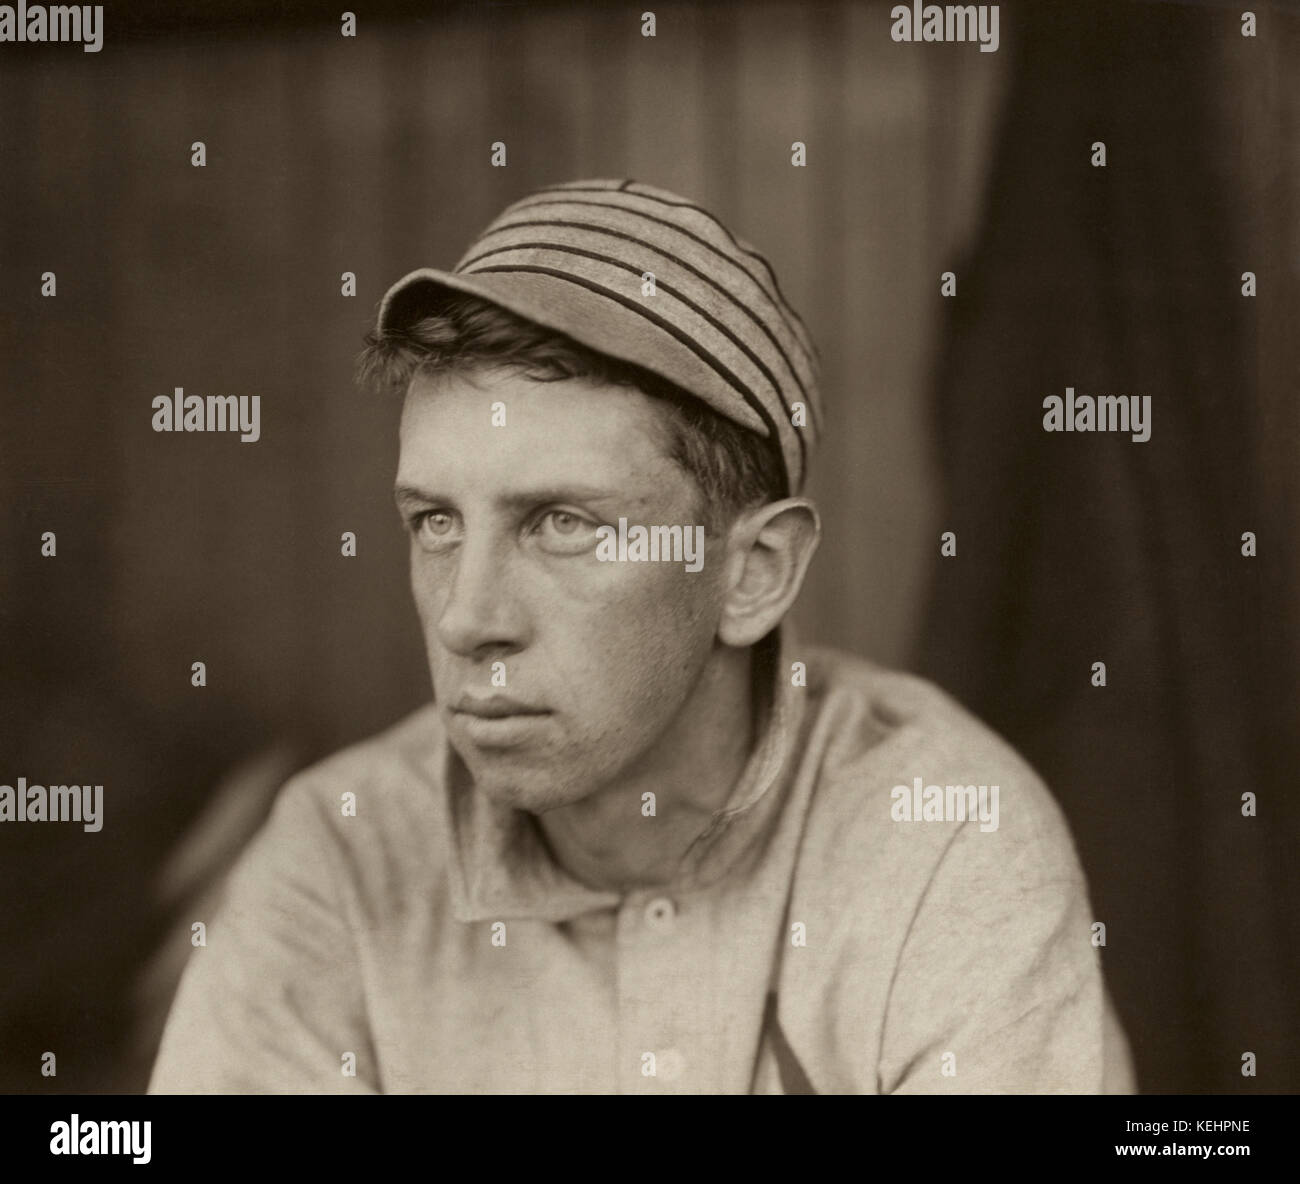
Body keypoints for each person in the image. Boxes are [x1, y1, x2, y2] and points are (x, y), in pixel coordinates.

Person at [149, 178, 1134, 1094]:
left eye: (561, 523)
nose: (466, 616)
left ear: (754, 574)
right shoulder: (339, 850)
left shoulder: (940, 831)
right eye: (436, 522)